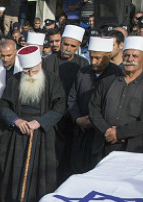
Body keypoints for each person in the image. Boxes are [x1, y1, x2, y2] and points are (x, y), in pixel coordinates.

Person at [0, 45, 66, 202]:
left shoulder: (52, 80)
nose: (30, 74)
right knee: (16, 171)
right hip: (19, 132)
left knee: (41, 174)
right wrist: (16, 121)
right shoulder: (15, 80)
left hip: (42, 133)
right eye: (27, 71)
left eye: (34, 71)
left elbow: (60, 107)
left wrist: (40, 122)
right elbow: (4, 106)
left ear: (40, 64)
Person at [89, 37, 143, 163]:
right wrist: (106, 130)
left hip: (135, 149)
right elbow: (94, 109)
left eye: (135, 56)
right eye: (126, 55)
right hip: (104, 145)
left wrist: (120, 133)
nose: (130, 59)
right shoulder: (107, 81)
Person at [67, 37, 123, 174]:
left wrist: (97, 121)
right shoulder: (83, 72)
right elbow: (72, 99)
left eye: (98, 58)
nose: (94, 62)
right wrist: (77, 119)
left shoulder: (117, 74)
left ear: (108, 56)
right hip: (82, 132)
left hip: (103, 134)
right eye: (91, 57)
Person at [43, 24, 88, 185]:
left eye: (72, 46)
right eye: (65, 44)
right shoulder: (48, 62)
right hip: (52, 117)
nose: (67, 48)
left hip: (73, 118)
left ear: (78, 47)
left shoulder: (83, 64)